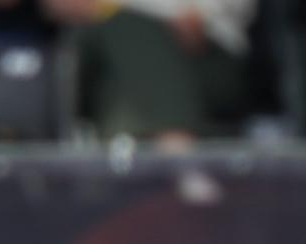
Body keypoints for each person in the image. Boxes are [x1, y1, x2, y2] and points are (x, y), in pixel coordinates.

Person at [42, 0, 253, 144]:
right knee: (126, 28)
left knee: (133, 33)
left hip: (203, 58)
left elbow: (200, 18)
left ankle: (173, 150)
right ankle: (176, 159)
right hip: (94, 50)